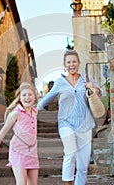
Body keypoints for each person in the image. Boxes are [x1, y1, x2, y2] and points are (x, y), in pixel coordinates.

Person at [37, 50, 102, 185]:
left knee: (83, 166)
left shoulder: (86, 78)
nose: (71, 64)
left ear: (78, 63)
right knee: (70, 153)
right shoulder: (60, 82)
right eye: (68, 62)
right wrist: (32, 111)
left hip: (85, 124)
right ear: (64, 65)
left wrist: (93, 89)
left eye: (74, 61)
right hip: (66, 123)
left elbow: (99, 93)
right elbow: (46, 99)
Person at [0, 82, 39, 185]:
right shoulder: (16, 113)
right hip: (18, 151)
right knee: (21, 183)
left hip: (32, 152)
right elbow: (4, 130)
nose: (27, 98)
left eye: (30, 94)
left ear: (35, 97)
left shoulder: (34, 112)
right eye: (24, 95)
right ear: (19, 98)